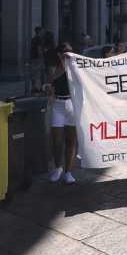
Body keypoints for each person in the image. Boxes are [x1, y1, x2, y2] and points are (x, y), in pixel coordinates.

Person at [46, 42, 77, 184]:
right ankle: (58, 167)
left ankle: (68, 172)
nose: (69, 54)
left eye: (71, 51)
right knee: (57, 140)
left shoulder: (76, 66)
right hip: (58, 104)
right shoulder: (54, 67)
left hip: (72, 105)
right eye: (66, 52)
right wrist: (63, 64)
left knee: (71, 140)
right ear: (59, 54)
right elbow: (51, 82)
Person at [30, 26, 45, 93]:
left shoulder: (33, 39)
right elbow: (39, 49)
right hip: (38, 58)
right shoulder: (39, 39)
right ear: (40, 31)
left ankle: (33, 87)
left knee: (34, 73)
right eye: (42, 31)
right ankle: (39, 88)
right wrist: (41, 57)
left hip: (33, 57)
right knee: (39, 73)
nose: (43, 32)